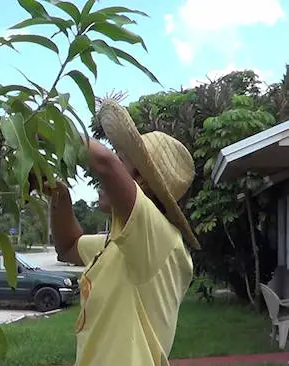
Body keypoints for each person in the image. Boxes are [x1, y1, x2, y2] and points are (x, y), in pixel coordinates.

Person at [35, 100, 201, 365]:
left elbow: (104, 163)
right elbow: (68, 247)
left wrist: (46, 130)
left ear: (142, 182)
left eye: (122, 160)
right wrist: (59, 194)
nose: (100, 181)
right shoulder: (117, 245)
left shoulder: (161, 238)